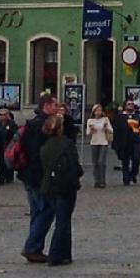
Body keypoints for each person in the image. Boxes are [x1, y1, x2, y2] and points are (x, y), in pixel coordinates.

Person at [37, 101, 82, 265]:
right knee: (63, 221)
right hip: (65, 186)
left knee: (63, 219)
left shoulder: (45, 145)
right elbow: (75, 165)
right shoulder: (66, 144)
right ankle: (56, 254)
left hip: (49, 186)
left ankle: (65, 254)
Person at [19, 91, 58, 262]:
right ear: (46, 106)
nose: (57, 108)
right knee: (46, 211)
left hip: (27, 174)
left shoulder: (32, 123)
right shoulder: (42, 126)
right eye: (55, 105)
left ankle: (35, 248)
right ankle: (32, 247)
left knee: (37, 212)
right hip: (37, 176)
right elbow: (38, 154)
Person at [0, 108, 18, 185]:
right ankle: (1, 178)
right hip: (0, 146)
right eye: (1, 115)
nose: (2, 116)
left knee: (8, 162)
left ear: (7, 115)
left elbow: (15, 134)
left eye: (4, 115)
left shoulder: (11, 123)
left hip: (9, 146)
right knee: (1, 162)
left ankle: (9, 177)